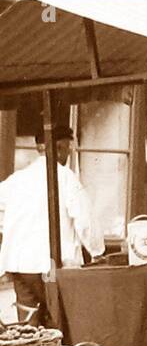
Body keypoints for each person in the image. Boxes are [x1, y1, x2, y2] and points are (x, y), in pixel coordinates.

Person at [0, 124, 105, 326]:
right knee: (59, 325)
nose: (67, 154)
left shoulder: (17, 180)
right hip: (50, 266)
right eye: (66, 149)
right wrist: (97, 251)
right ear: (58, 148)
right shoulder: (65, 177)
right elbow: (85, 220)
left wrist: (10, 230)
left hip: (20, 265)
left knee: (29, 327)